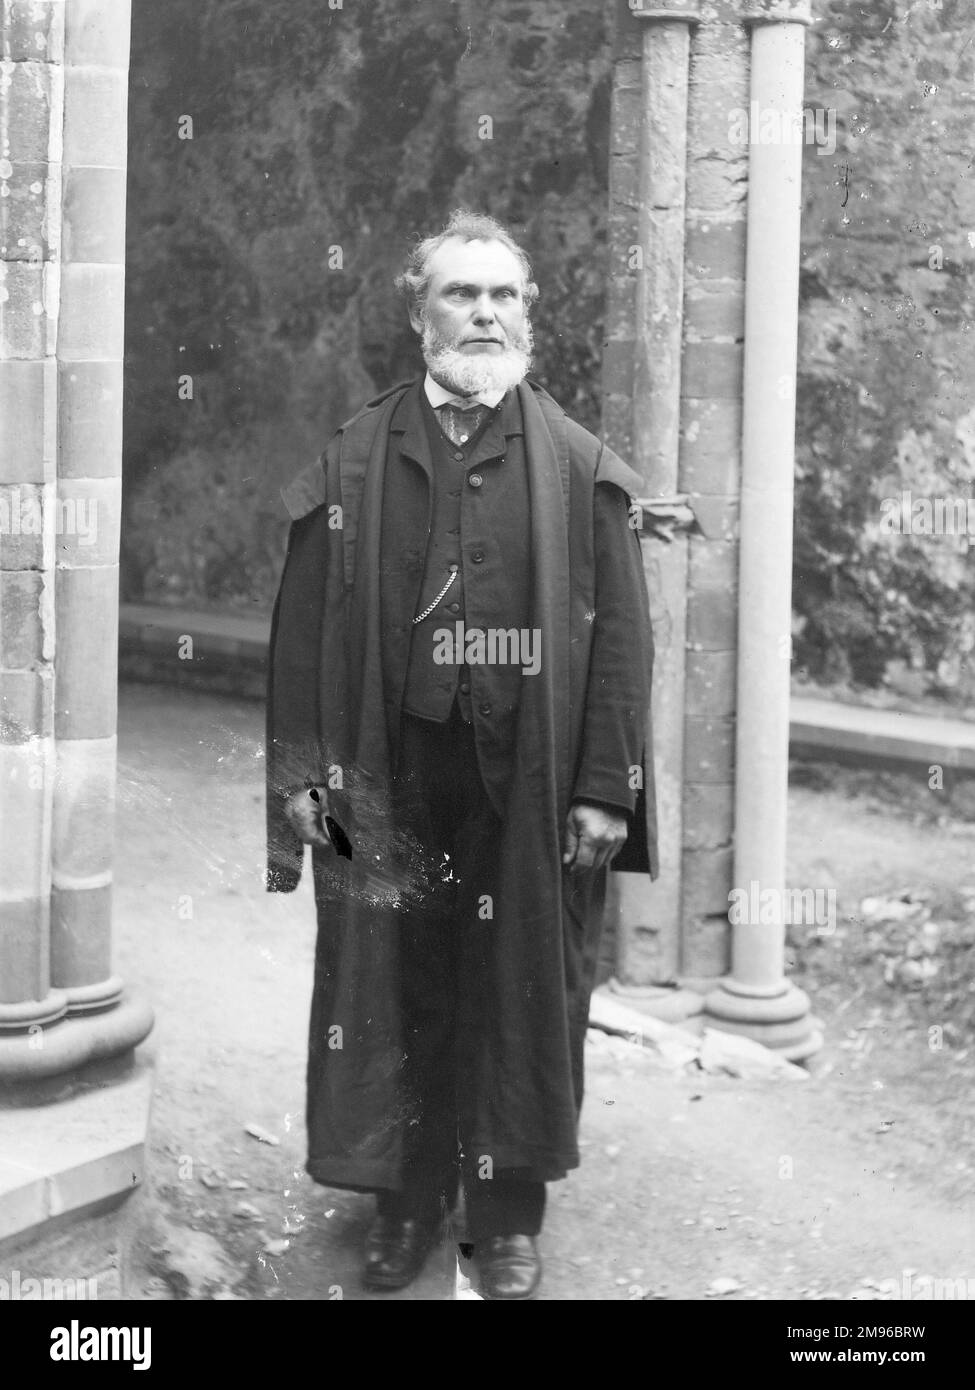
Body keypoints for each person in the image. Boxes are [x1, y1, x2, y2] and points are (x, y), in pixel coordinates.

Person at [265, 209, 657, 1300]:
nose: (484, 313)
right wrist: (302, 782)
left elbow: (622, 639)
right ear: (417, 312)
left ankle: (506, 1215)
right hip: (385, 783)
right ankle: (406, 1200)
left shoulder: (578, 467)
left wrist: (602, 789)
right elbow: (300, 638)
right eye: (460, 294)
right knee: (394, 986)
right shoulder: (355, 457)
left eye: (503, 297)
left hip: (524, 786)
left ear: (525, 315)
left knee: (523, 986)